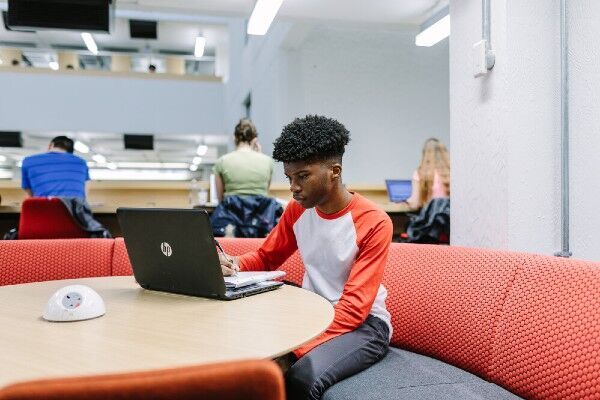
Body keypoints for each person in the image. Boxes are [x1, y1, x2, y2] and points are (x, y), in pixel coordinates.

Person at [219, 115, 393, 400]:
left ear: (334, 171)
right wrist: (234, 265)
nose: (293, 187)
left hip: (366, 326)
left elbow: (353, 310)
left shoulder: (374, 222)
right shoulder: (297, 210)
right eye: (289, 178)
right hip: (314, 315)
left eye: (302, 177)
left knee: (300, 376)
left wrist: (293, 350)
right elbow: (266, 257)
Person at [213, 118, 274, 202]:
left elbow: (220, 200)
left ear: (234, 138)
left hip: (231, 213)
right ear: (255, 139)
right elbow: (264, 194)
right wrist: (259, 154)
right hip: (260, 214)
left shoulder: (222, 161)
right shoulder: (268, 161)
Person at [21, 136, 89, 199]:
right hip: (74, 209)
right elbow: (84, 193)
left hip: (43, 208)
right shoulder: (81, 162)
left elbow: (29, 192)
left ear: (51, 145)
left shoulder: (29, 161)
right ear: (71, 152)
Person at [405, 137, 450, 210]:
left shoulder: (420, 173)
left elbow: (415, 205)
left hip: (431, 219)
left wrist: (407, 201)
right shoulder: (451, 172)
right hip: (450, 219)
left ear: (425, 154)